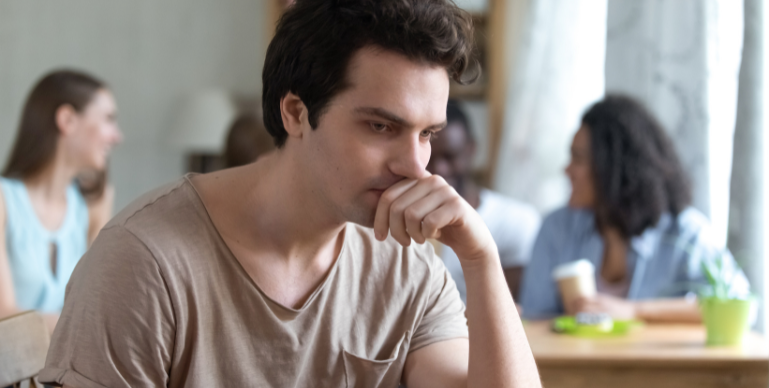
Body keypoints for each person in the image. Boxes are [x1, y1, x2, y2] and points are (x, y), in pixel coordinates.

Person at [40, 1, 540, 387]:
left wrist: (480, 257)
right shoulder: (145, 261)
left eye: (427, 134)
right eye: (381, 126)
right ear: (296, 113)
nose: (415, 165)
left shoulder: (409, 269)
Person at [520, 95, 749, 322]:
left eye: (578, 159)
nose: (567, 170)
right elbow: (533, 318)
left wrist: (635, 311)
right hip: (575, 359)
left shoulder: (685, 232)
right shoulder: (557, 229)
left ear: (613, 167)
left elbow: (739, 306)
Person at [0, 69, 122, 333]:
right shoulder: (3, 200)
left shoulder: (94, 204)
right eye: (108, 119)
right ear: (67, 120)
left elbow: (97, 303)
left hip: (61, 371)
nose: (117, 136)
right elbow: (3, 313)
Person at [427, 100, 540, 303]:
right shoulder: (396, 223)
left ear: (471, 149)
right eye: (428, 158)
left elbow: (513, 309)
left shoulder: (515, 221)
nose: (439, 170)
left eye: (450, 156)